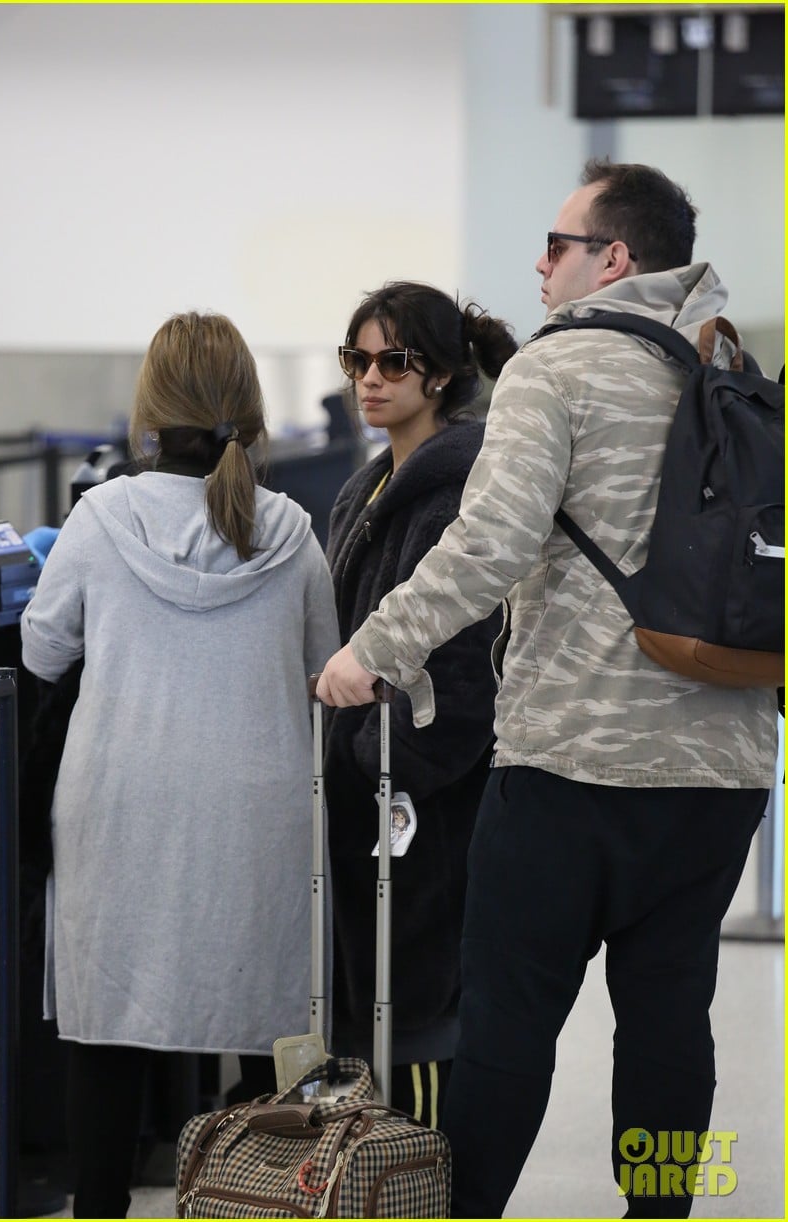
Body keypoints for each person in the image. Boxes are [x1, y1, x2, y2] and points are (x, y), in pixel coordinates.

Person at [316, 163, 777, 1217]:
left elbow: (490, 543)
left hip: (573, 756)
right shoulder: (729, 359)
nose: (538, 262)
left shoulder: (556, 369)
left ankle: (464, 1208)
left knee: (507, 1019)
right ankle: (662, 1210)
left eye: (557, 244)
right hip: (722, 763)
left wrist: (373, 649)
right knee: (671, 1017)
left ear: (614, 257)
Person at [20, 311, 340, 1218]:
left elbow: (43, 650)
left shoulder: (100, 516)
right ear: (248, 410)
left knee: (108, 1031)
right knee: (267, 1025)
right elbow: (327, 671)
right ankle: (260, 1198)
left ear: (149, 411)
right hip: (255, 811)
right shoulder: (290, 530)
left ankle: (100, 1205)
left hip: (120, 803)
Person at [324, 281, 518, 1128]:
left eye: (392, 360)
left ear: (437, 374)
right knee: (377, 1015)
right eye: (357, 359)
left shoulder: (455, 492)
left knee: (418, 1023)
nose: (371, 378)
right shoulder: (371, 485)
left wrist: (383, 754)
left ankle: (424, 1193)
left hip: (420, 800)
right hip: (376, 793)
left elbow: (469, 666)